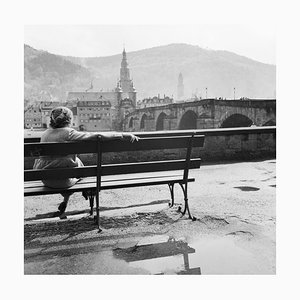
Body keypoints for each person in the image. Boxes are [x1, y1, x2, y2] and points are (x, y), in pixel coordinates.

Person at [33, 106, 139, 214]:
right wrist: (121, 135)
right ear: (69, 120)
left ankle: (67, 200)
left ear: (52, 119)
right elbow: (95, 136)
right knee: (77, 164)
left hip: (46, 179)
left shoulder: (45, 134)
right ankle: (85, 190)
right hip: (63, 182)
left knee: (71, 163)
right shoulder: (69, 133)